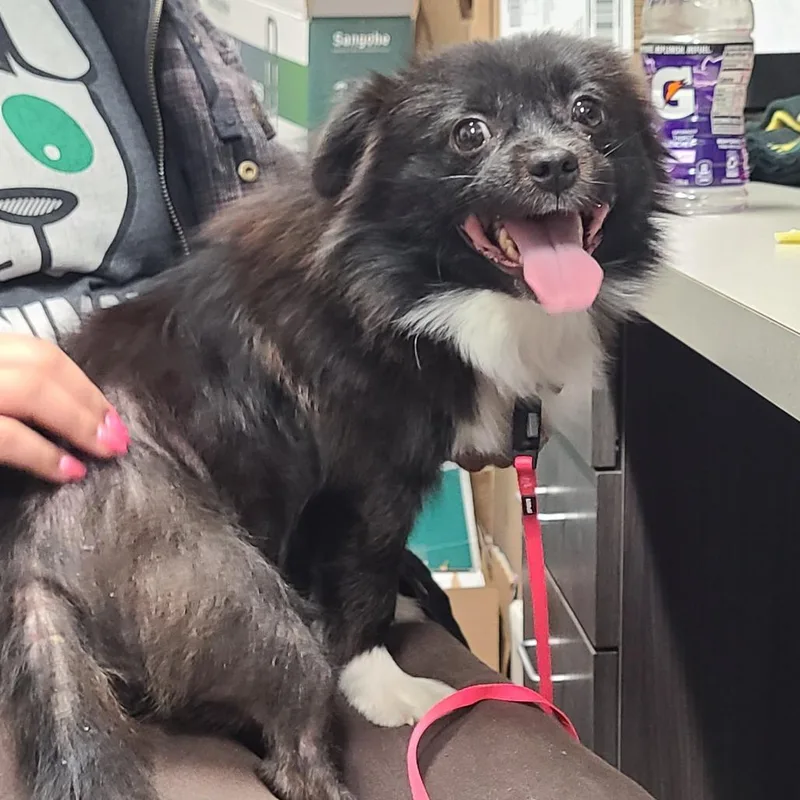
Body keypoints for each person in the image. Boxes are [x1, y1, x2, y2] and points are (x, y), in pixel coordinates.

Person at [0, 2, 655, 799]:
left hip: (262, 557)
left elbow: (309, 226)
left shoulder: (162, 25)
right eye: (472, 133)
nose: (553, 149)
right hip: (128, 557)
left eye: (585, 113)